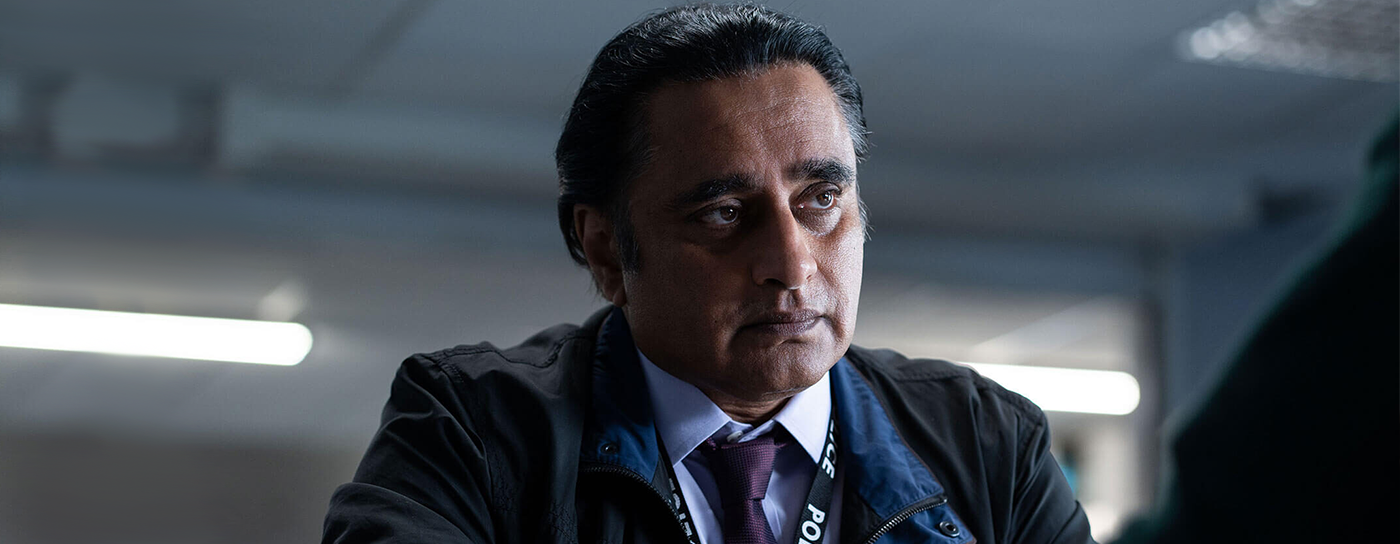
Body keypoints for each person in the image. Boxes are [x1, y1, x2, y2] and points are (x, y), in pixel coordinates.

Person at [323, 4, 1093, 543]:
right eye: (723, 213)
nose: (792, 264)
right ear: (605, 250)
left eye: (821, 199)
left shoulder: (989, 445)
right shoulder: (472, 431)